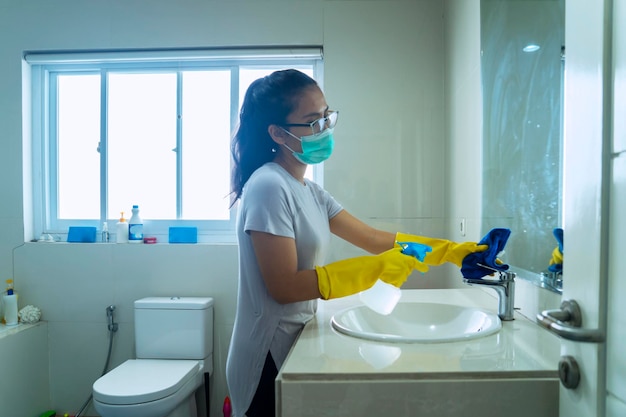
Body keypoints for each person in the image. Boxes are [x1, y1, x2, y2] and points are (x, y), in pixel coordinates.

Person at [225, 69, 486, 417]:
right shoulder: (268, 186)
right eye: (312, 122)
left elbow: (374, 239)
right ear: (278, 133)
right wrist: (375, 270)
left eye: (326, 116)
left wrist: (450, 251)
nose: (325, 129)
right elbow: (283, 287)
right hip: (265, 355)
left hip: (292, 339)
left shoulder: (310, 191)